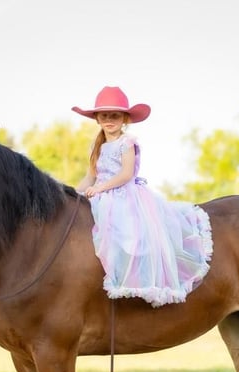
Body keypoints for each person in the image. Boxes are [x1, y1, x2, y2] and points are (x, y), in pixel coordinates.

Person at [72, 86, 213, 307]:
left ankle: (136, 284)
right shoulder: (97, 145)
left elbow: (126, 174)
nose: (109, 120)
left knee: (130, 237)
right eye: (104, 115)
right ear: (97, 119)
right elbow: (90, 176)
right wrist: (73, 193)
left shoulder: (127, 143)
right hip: (100, 197)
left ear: (125, 118)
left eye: (115, 115)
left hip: (124, 197)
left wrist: (100, 189)